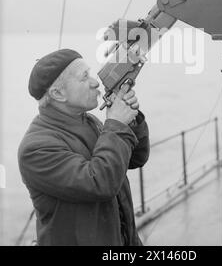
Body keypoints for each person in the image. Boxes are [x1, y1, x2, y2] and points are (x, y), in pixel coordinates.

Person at [18, 49, 150, 246]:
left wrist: (130, 119)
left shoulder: (90, 122)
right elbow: (100, 183)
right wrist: (116, 125)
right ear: (58, 93)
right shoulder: (36, 148)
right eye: (84, 77)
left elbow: (136, 158)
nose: (95, 82)